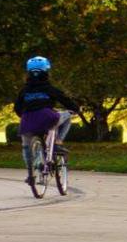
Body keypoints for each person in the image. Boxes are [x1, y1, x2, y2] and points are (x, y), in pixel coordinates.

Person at [13, 56, 80, 189]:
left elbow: (17, 108)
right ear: (46, 72)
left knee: (26, 147)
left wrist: (26, 116)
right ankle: (58, 142)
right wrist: (75, 109)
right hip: (47, 117)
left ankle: (30, 173)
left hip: (27, 121)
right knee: (67, 116)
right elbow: (65, 99)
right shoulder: (49, 88)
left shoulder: (24, 91)